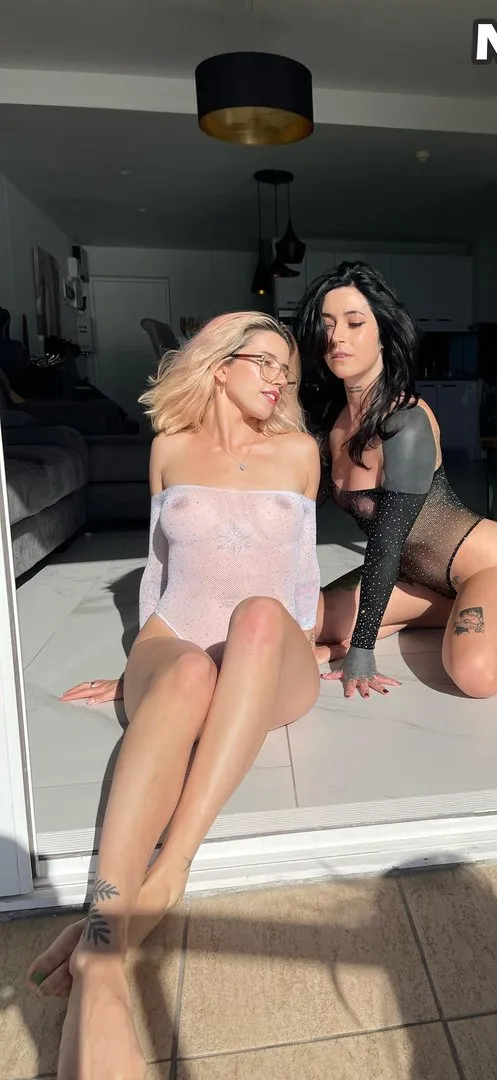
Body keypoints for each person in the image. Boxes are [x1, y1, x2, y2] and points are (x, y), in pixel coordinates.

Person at [26, 312, 322, 1080]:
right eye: (263, 361)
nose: (279, 378)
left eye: (286, 368)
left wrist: (328, 650)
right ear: (219, 366)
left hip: (272, 646)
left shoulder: (300, 452)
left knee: (258, 616)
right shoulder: (168, 448)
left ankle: (169, 872)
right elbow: (157, 578)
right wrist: (142, 669)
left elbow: (302, 584)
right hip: (178, 634)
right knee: (187, 674)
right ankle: (101, 946)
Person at [297, 260, 497, 700]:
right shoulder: (331, 422)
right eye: (327, 324)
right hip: (412, 577)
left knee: (475, 675)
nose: (337, 337)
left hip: (487, 567)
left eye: (354, 323)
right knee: (303, 623)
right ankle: (444, 613)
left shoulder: (406, 421)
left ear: (383, 334)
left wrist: (362, 648)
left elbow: (386, 542)